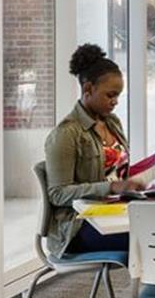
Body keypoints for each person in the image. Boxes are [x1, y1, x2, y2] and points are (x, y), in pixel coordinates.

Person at [42, 44, 147, 257]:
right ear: (88, 89)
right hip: (79, 226)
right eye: (110, 95)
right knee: (152, 237)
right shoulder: (66, 134)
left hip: (114, 213)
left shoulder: (112, 122)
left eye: (118, 95)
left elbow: (116, 171)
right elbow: (57, 194)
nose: (115, 101)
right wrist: (110, 188)